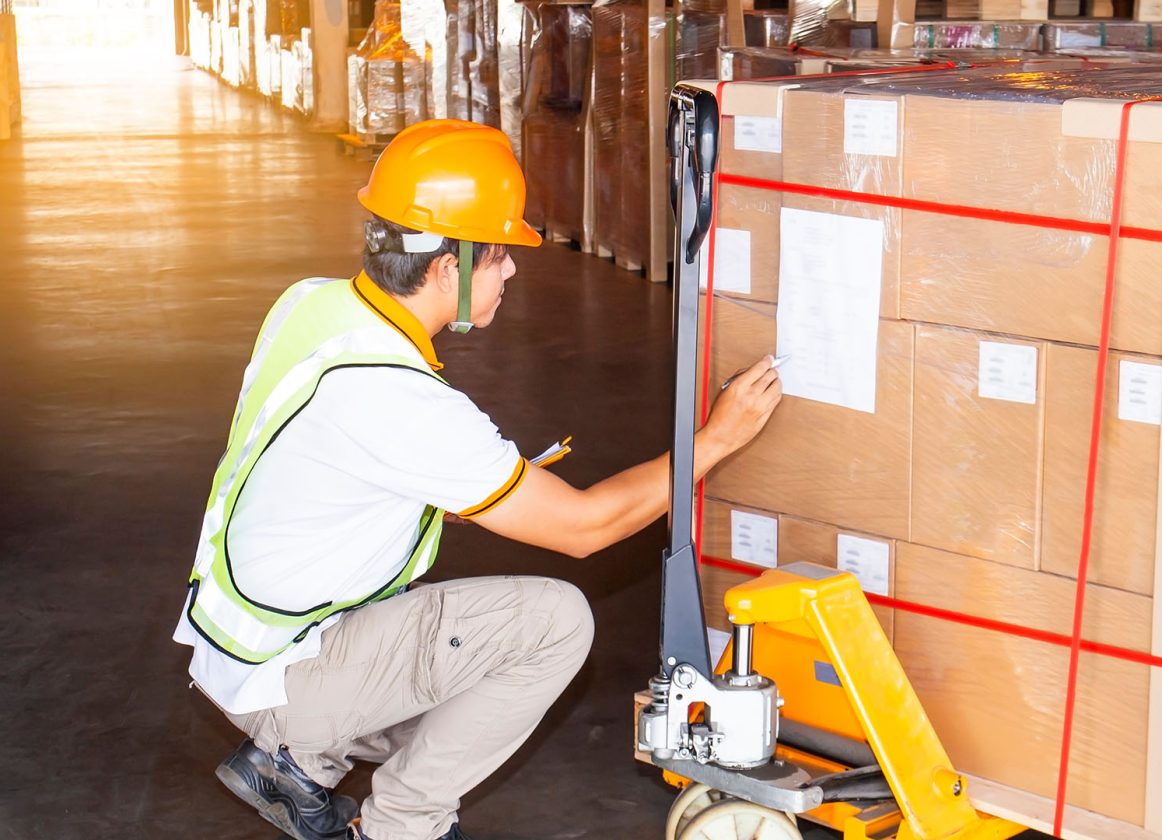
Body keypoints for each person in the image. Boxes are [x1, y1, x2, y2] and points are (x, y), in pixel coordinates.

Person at [173, 119, 782, 840]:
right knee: (552, 624)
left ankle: (298, 754)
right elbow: (583, 529)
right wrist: (713, 442)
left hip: (236, 642)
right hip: (289, 672)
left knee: (463, 697)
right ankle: (395, 822)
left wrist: (441, 496)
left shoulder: (312, 304)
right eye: (498, 256)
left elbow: (313, 458)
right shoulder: (401, 398)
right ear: (446, 270)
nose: (512, 272)